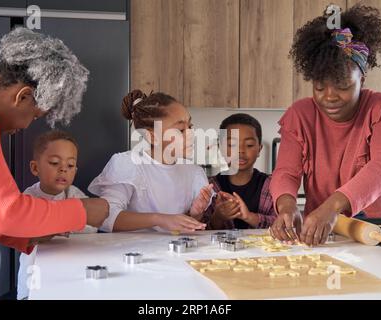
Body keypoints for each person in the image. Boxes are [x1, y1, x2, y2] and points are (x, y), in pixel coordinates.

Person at [0, 28, 108, 300]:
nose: (28, 125)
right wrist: (83, 210)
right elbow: (5, 213)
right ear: (23, 96)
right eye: (35, 115)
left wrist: (24, 237)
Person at [270, 5, 381, 246]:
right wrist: (286, 205)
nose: (329, 97)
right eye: (320, 87)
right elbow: (286, 172)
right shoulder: (300, 114)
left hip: (379, 220)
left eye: (343, 85)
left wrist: (333, 206)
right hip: (321, 220)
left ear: (362, 79)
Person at [88, 90, 212, 233]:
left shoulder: (193, 171)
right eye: (180, 130)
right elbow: (105, 218)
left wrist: (195, 214)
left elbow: (183, 228)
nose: (191, 134)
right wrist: (159, 219)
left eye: (190, 126)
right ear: (153, 137)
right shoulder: (129, 164)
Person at [17, 130, 98, 300]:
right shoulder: (28, 197)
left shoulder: (75, 195)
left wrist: (63, 224)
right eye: (54, 163)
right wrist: (65, 223)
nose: (63, 169)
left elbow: (92, 227)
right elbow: (24, 229)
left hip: (68, 270)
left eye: (70, 166)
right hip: (34, 273)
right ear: (35, 167)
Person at [204, 113, 276, 230]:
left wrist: (249, 217)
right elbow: (199, 229)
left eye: (249, 145)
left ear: (259, 149)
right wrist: (218, 217)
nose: (241, 151)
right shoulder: (209, 187)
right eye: (232, 145)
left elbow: (283, 224)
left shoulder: (272, 185)